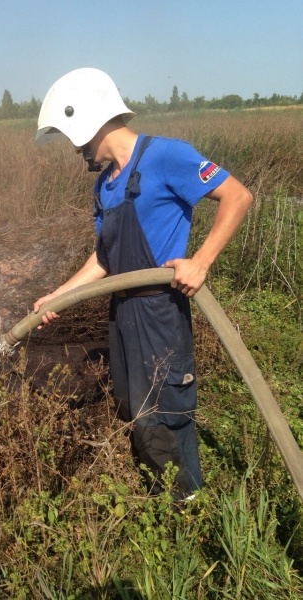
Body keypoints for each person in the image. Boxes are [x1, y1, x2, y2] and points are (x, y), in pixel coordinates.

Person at [33, 68, 253, 500]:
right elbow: (104, 257)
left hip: (159, 310)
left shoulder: (167, 156)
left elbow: (237, 196)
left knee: (164, 410)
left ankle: (186, 505)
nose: (77, 150)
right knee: (133, 406)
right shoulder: (104, 185)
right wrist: (60, 294)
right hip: (122, 311)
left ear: (90, 122)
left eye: (76, 139)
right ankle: (160, 494)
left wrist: (200, 262)